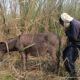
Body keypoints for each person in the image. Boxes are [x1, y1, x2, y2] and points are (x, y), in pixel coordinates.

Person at [59, 13, 80, 80]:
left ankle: (73, 76)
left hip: (76, 44)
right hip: (75, 43)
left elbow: (74, 37)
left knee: (67, 58)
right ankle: (72, 73)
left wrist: (67, 32)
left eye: (62, 24)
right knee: (66, 54)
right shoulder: (72, 23)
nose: (63, 26)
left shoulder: (75, 24)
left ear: (65, 22)